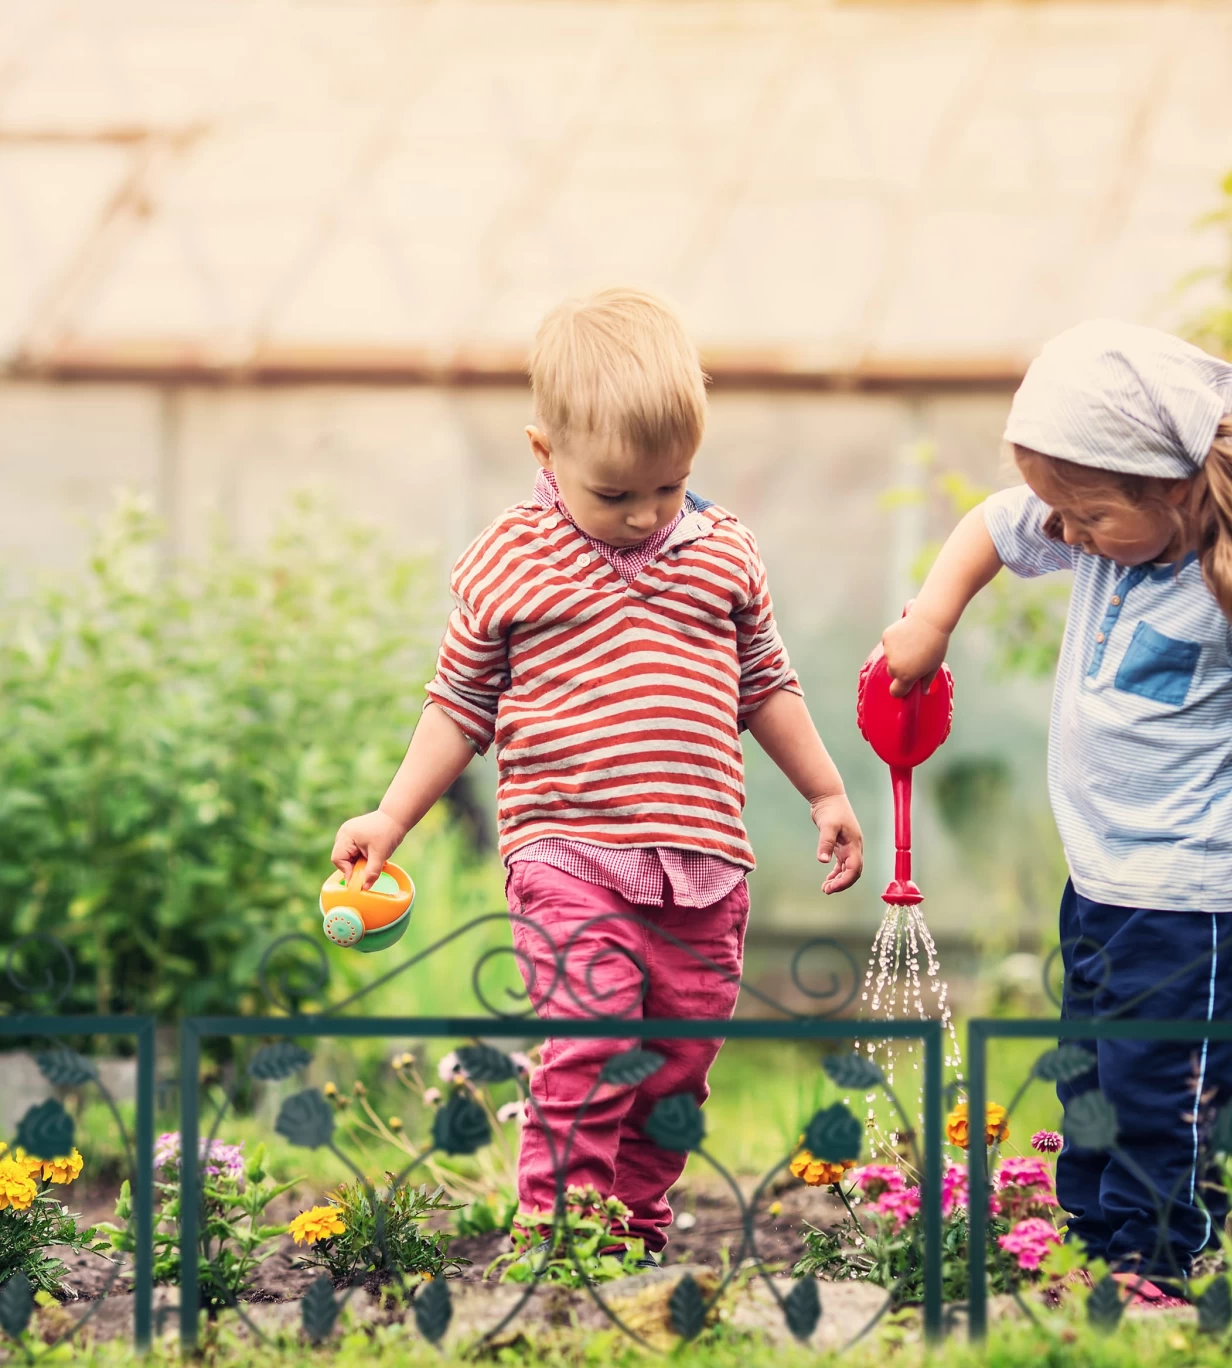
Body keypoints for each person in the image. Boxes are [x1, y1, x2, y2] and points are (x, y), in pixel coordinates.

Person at [331, 288, 863, 1261]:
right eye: (615, 494)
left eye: (668, 487)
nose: (644, 514)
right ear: (545, 452)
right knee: (596, 1032)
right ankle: (564, 1230)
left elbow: (767, 684)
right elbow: (458, 704)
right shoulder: (513, 558)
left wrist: (825, 790)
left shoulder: (724, 554)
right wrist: (393, 815)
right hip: (567, 850)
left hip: (704, 862)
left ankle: (636, 1222)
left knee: (677, 1064)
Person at [880, 320, 1232, 1298]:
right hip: (1104, 883)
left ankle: (1158, 1257)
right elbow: (988, 529)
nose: (1066, 532)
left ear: (1169, 486)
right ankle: (1095, 1236)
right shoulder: (1099, 533)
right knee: (1090, 1067)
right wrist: (929, 621)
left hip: (1193, 899)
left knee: (1160, 1085)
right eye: (1063, 512)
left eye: (1085, 514)